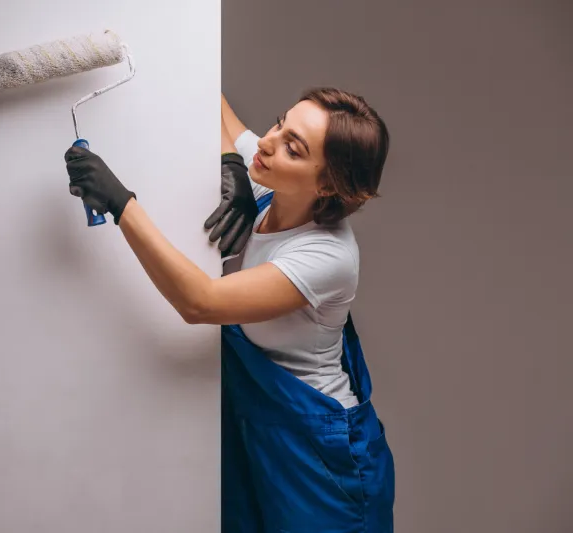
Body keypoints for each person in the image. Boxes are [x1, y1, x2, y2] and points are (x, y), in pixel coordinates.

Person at [64, 87, 395, 532]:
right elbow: (210, 97)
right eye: (280, 124)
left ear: (327, 184)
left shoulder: (328, 255)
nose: (267, 142)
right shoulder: (266, 176)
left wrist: (121, 202)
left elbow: (200, 303)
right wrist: (231, 164)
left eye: (292, 148)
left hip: (320, 453)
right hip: (258, 432)